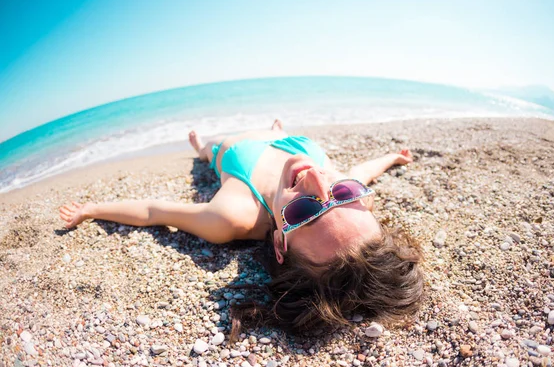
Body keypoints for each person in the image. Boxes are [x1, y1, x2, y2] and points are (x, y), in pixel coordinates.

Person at [59, 119, 424, 338]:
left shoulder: (231, 217)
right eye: (345, 193)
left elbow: (155, 211)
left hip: (231, 150)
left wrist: (92, 209)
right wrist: (393, 157)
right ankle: (275, 128)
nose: (315, 176)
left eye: (303, 210)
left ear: (280, 242)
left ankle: (201, 146)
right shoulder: (343, 185)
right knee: (287, 140)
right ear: (364, 199)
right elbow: (362, 171)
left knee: (207, 154)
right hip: (283, 139)